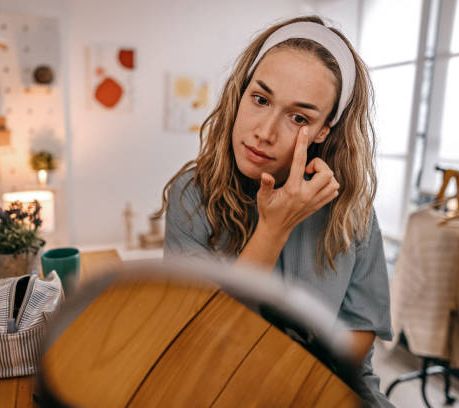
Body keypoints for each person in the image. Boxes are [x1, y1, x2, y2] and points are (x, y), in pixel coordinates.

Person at [157, 15, 393, 407]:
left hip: (328, 385)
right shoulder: (191, 195)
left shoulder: (350, 208)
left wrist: (294, 386)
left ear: (324, 130)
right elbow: (201, 334)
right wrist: (272, 228)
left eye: (299, 117)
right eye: (261, 99)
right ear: (241, 91)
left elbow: (359, 333)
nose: (265, 132)